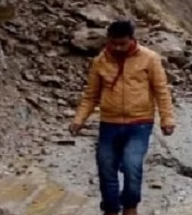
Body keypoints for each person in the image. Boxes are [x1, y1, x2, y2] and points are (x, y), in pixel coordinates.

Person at [69, 20, 176, 215]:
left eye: (122, 43)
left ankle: (130, 206)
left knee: (131, 165)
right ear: (108, 40)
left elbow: (161, 91)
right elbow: (91, 95)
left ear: (132, 39)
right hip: (109, 123)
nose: (118, 47)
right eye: (114, 43)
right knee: (106, 166)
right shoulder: (100, 61)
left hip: (140, 123)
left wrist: (167, 119)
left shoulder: (149, 58)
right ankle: (110, 208)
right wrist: (79, 120)